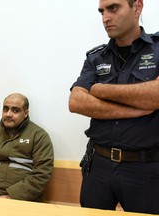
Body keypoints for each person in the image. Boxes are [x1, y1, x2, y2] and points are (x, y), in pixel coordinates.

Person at [69, 0, 159, 214]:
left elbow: (156, 95)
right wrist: (136, 108)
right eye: (102, 11)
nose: (105, 18)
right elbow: (76, 102)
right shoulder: (96, 56)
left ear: (137, 7)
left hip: (145, 170)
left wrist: (100, 90)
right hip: (98, 166)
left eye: (113, 8)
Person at [0, 93, 54, 201]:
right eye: (5, 109)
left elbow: (42, 174)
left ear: (26, 113)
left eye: (15, 110)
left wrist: (10, 197)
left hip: (21, 199)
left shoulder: (38, 136)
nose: (8, 114)